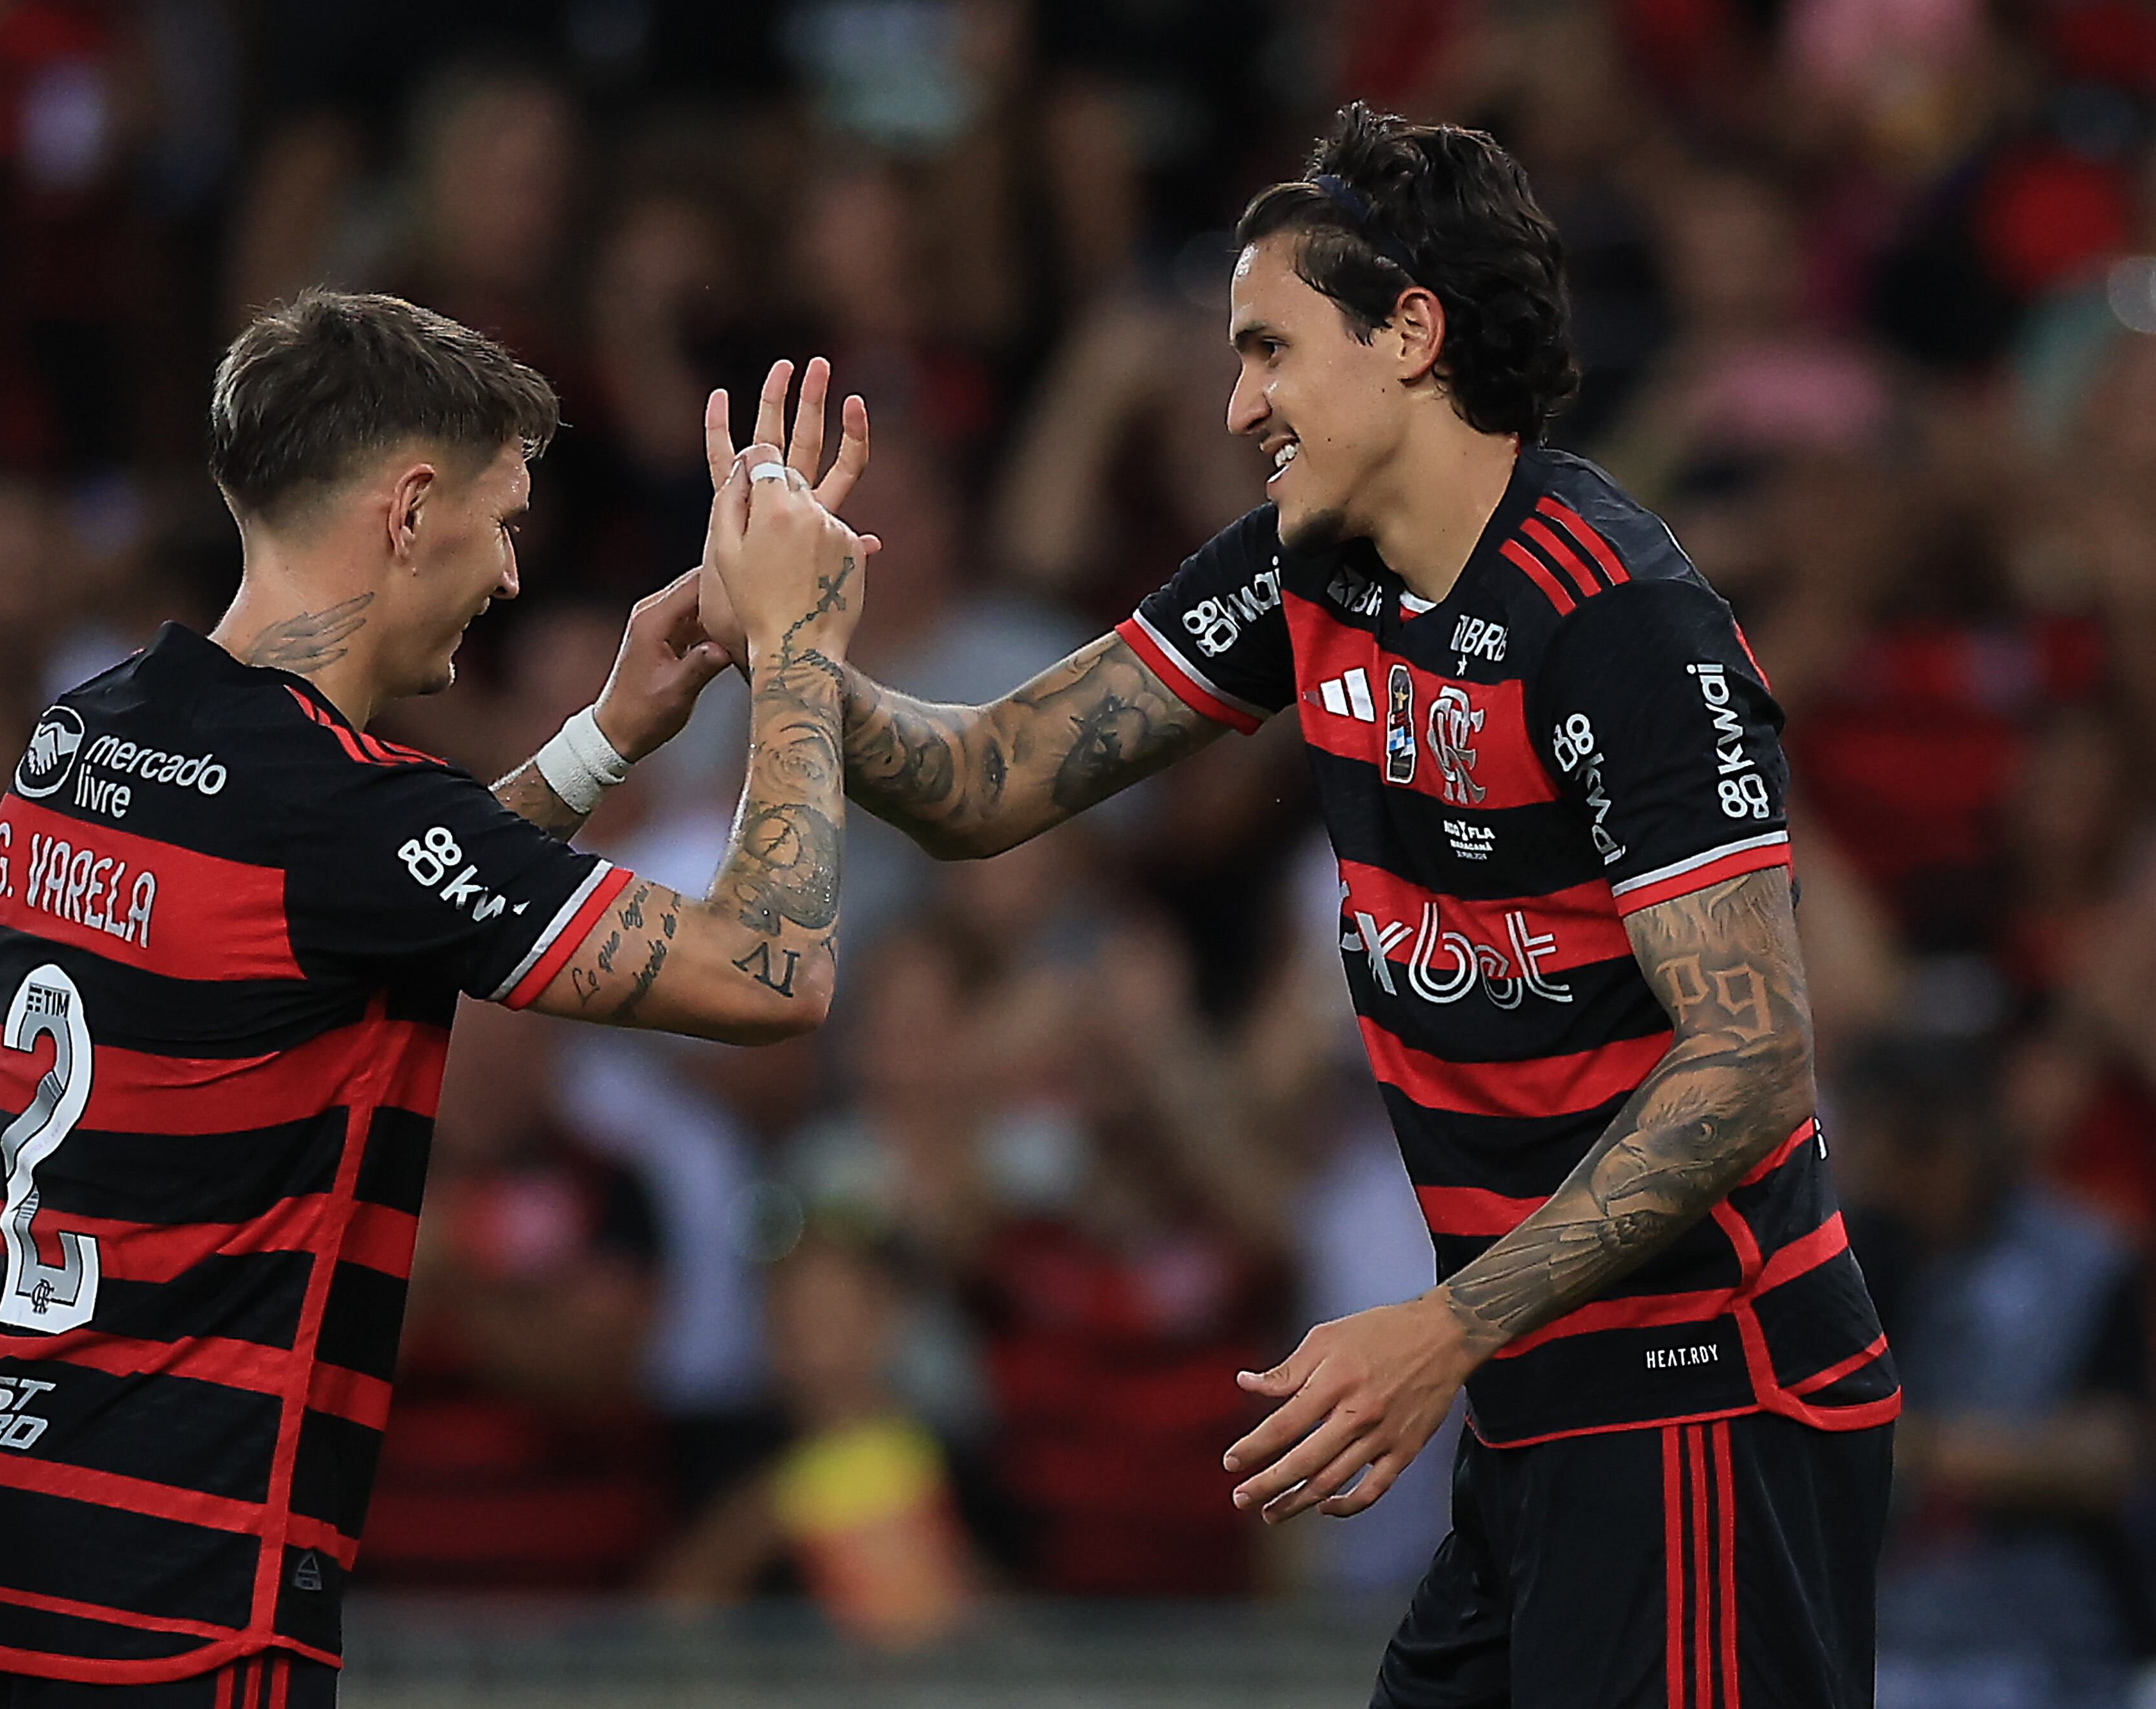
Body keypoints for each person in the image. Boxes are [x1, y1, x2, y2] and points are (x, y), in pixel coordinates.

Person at [704, 105, 1896, 1707]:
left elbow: (1752, 1060)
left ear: (1409, 334)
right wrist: (792, 650)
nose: (1235, 401)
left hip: (1704, 1403)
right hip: (1533, 1399)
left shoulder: (1615, 621)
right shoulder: (1303, 570)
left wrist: (1438, 1329)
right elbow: (987, 777)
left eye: (1267, 348)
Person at [0, 288, 870, 1707]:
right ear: (408, 511)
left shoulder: (81, 733)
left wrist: (604, 733)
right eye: (503, 519)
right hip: (171, 1576)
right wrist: (797, 647)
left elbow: (365, 909)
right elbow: (774, 972)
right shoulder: (335, 816)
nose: (510, 574)